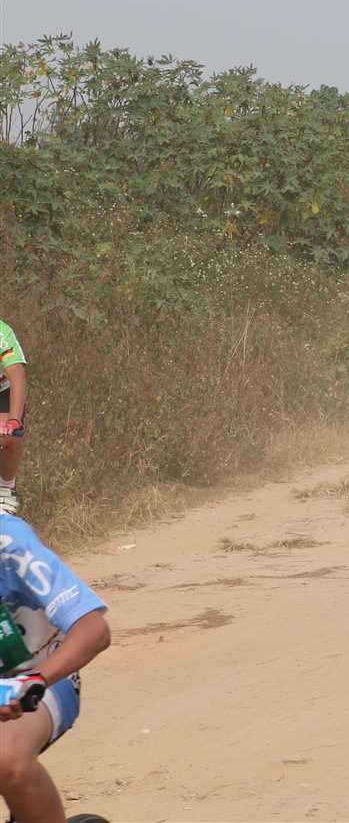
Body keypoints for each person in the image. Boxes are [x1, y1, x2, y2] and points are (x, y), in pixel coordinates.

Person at [0, 513, 111, 823]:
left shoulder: (9, 541)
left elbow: (94, 629)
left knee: (6, 759)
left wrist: (36, 679)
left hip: (41, 677)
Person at [0, 321, 26, 515]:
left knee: (8, 436)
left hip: (3, 391)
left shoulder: (2, 333)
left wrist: (14, 420)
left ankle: (6, 486)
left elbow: (17, 377)